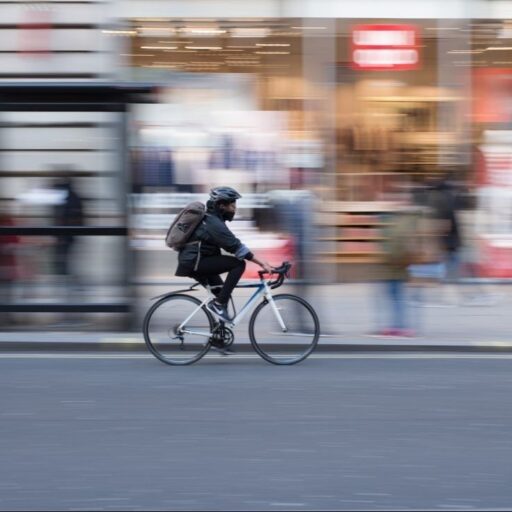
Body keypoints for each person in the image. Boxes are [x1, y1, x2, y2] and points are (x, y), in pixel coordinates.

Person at [175, 186, 272, 323]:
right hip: (194, 262)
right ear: (221, 205)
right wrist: (262, 263)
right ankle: (219, 305)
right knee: (238, 264)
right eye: (232, 204)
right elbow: (235, 246)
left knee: (222, 294)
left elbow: (231, 244)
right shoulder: (213, 222)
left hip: (197, 261)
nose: (234, 208)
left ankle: (218, 336)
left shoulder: (213, 220)